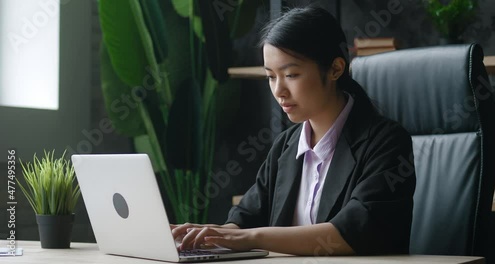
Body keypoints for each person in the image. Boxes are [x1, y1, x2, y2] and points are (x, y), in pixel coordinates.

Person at [171, 5, 416, 256]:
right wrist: (209, 236)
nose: (278, 91)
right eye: (271, 76)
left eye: (291, 74)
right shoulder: (286, 146)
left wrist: (247, 237)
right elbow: (246, 218)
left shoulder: (386, 143)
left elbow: (354, 233)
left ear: (335, 69)